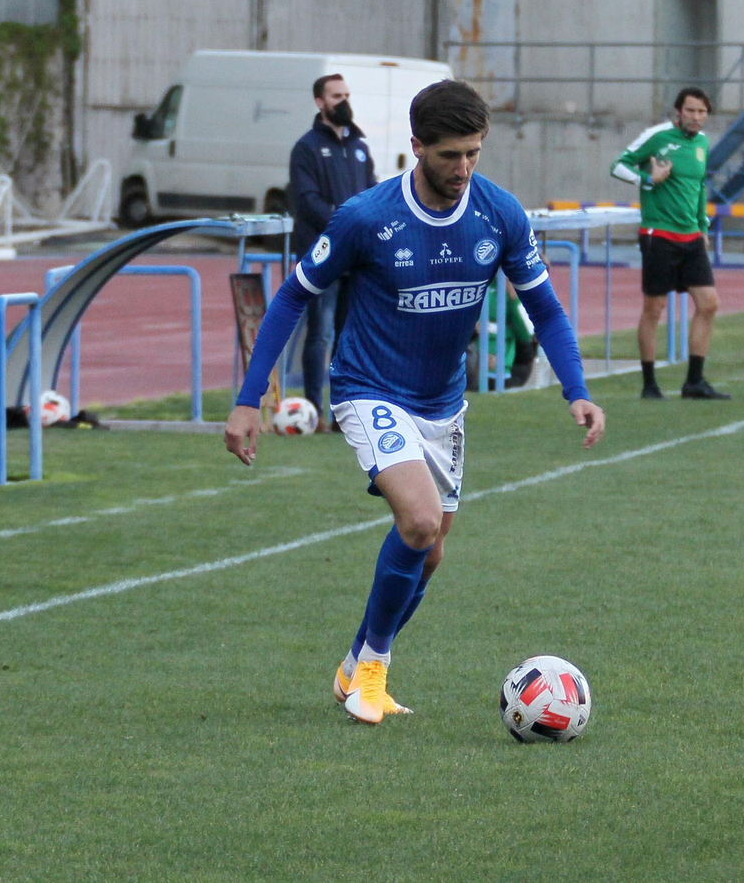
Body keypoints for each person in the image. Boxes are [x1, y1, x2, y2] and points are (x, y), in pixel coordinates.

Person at [226, 80, 606, 724]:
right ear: (416, 147)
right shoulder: (366, 217)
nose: (463, 169)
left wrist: (577, 390)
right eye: (449, 155)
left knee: (430, 551)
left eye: (474, 154)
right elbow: (293, 295)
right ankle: (372, 672)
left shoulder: (499, 213)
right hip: (369, 387)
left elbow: (542, 304)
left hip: (443, 403)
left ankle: (354, 663)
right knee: (421, 521)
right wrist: (246, 399)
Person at [611, 87, 728, 400]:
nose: (696, 117)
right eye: (690, 111)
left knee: (709, 303)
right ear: (678, 111)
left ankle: (694, 382)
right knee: (654, 307)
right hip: (658, 234)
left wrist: (702, 226)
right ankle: (650, 384)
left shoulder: (702, 143)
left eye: (702, 112)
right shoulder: (658, 136)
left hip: (690, 236)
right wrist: (648, 179)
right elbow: (619, 164)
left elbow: (699, 187)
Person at [289, 74, 376, 421]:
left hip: (356, 257)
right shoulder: (306, 148)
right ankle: (313, 410)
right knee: (320, 334)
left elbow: (371, 194)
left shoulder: (359, 146)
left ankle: (344, 412)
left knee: (349, 336)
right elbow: (307, 202)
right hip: (321, 256)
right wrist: (346, 227)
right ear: (319, 102)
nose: (344, 101)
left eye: (346, 95)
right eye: (336, 96)